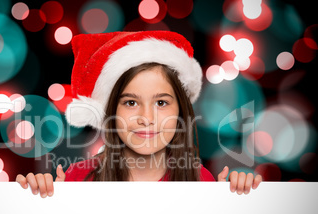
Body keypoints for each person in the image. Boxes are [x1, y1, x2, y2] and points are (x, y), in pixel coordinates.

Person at [16, 31, 262, 197]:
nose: (147, 117)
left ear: (180, 112)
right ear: (110, 112)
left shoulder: (200, 181)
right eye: (131, 103)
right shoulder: (79, 178)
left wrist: (233, 201)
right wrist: (44, 201)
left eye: (162, 103)